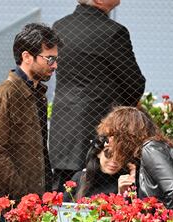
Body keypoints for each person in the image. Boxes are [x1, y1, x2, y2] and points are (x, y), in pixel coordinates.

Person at [49, 0, 146, 193]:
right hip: (97, 131)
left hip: (63, 131)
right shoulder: (113, 32)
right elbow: (134, 83)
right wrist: (121, 116)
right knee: (99, 200)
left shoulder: (59, 27)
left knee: (62, 197)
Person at [0, 23, 62, 209]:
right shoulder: (2, 97)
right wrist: (25, 198)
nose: (54, 65)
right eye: (49, 58)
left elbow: (38, 155)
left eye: (55, 59)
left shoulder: (37, 95)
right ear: (27, 57)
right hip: (0, 209)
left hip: (28, 205)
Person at [97, 106, 173, 212]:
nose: (107, 143)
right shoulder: (144, 154)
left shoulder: (151, 149)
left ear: (124, 135)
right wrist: (125, 196)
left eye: (111, 136)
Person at [63, 136, 135, 202]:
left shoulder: (124, 182)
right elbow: (63, 208)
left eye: (119, 157)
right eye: (108, 154)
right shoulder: (80, 177)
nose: (114, 161)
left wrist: (122, 194)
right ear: (98, 153)